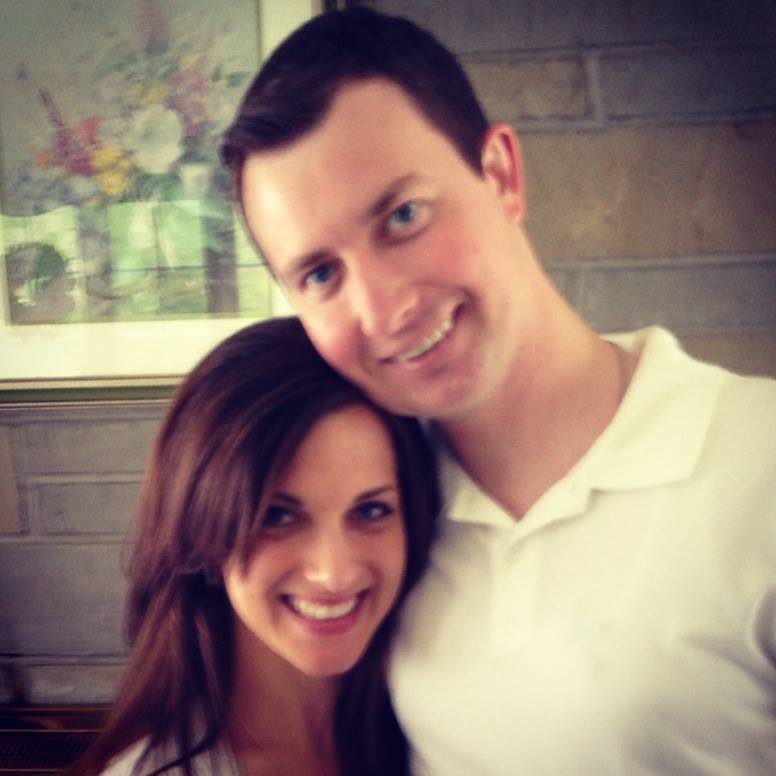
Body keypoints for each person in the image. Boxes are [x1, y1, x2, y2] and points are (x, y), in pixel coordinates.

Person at [220, 7, 776, 775]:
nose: (383, 310)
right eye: (320, 273)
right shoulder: (368, 513)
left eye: (404, 216)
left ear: (502, 176)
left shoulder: (759, 459)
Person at [70, 316, 439, 776]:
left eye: (371, 511)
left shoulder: (448, 734)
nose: (334, 573)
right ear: (200, 525)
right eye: (277, 516)